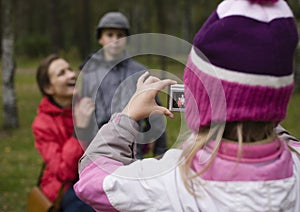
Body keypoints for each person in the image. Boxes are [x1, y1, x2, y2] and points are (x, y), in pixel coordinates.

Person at [74, 0, 300, 211]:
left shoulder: (169, 179)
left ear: (201, 99)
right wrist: (258, 105)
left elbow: (93, 181)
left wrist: (128, 115)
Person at [79, 11, 167, 158]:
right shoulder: (89, 72)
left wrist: (160, 151)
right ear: (100, 38)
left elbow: (155, 113)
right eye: (110, 34)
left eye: (120, 35)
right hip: (97, 147)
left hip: (131, 148)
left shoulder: (140, 72)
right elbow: (83, 112)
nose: (115, 40)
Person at [32, 54, 94, 211]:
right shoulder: (42, 125)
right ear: (48, 88)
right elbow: (63, 172)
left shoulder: (88, 104)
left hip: (93, 176)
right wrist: (78, 130)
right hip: (64, 186)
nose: (72, 74)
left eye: (70, 69)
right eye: (62, 73)